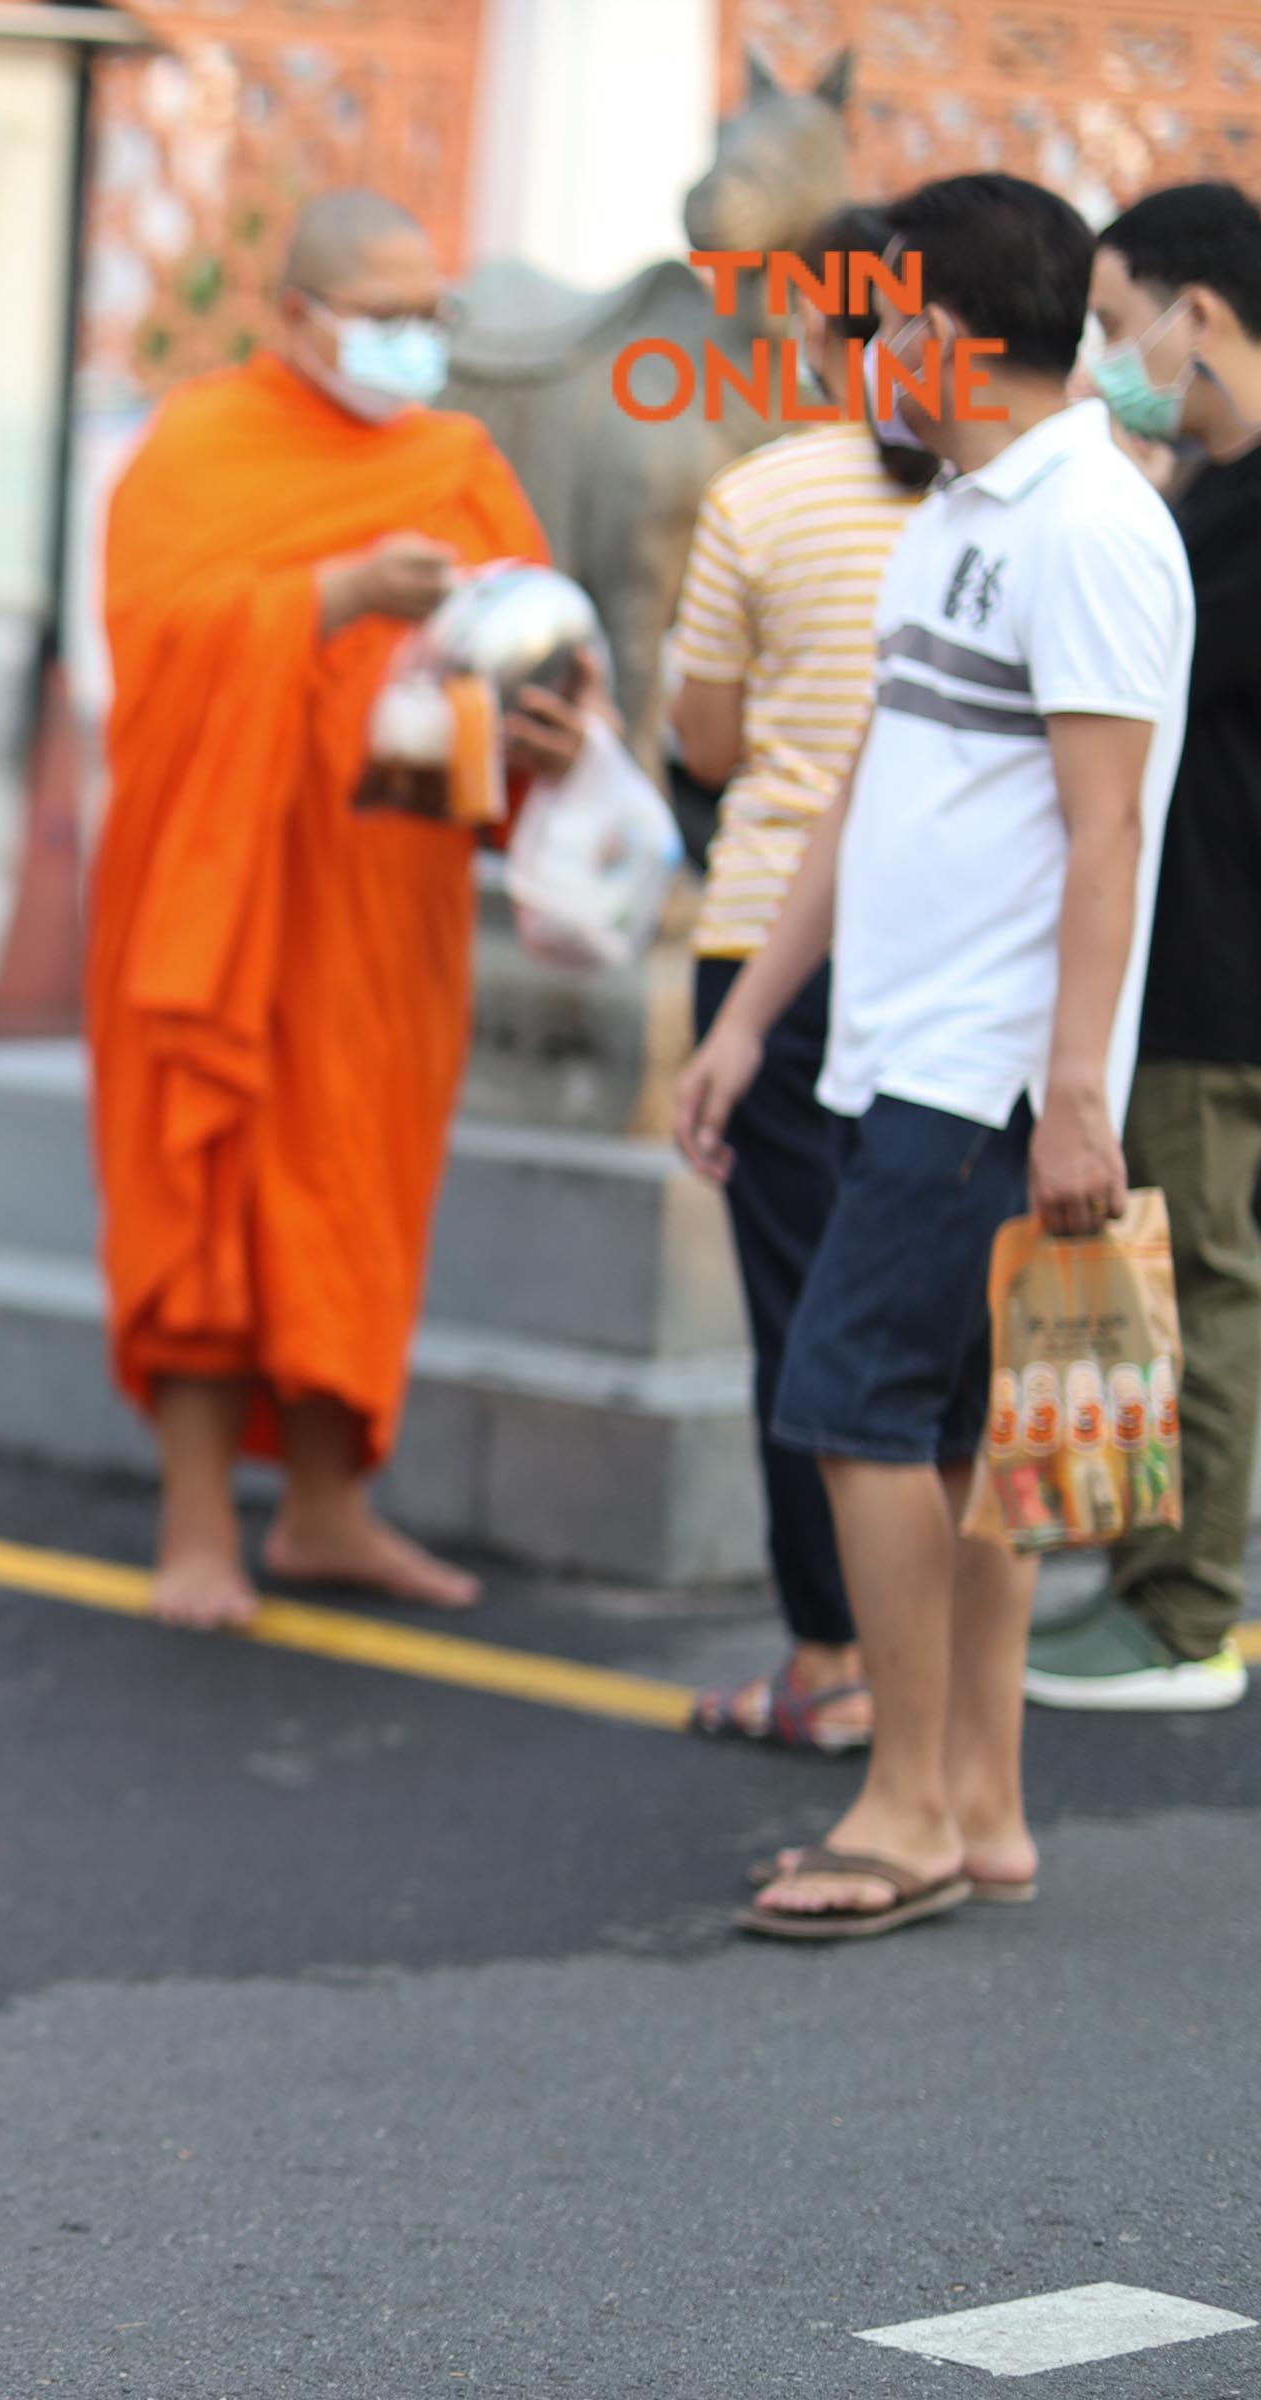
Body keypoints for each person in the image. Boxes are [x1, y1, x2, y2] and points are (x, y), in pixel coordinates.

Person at [677, 173, 1192, 1937]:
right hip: (904, 1048)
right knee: (967, 1437)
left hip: (981, 1075)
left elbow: (1107, 834)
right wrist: (749, 1021)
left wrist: (1072, 1100)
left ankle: (898, 1808)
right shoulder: (961, 512)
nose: (852, 352)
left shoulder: (1091, 528)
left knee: (849, 1404)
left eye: (873, 316)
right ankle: (978, 1805)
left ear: (942, 336)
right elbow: (869, 788)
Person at [83, 189, 584, 1635]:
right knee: (206, 1184)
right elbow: (155, 645)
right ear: (294, 317)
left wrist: (545, 738)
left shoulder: (459, 458)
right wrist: (339, 590)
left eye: (434, 313)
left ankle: (325, 1512)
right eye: (385, 314)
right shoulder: (197, 446)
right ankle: (195, 1528)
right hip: (214, 887)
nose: (415, 340)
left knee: (350, 1189)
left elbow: (539, 649)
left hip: (383, 897)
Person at [663, 200, 937, 1755]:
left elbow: (704, 742)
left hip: (768, 936)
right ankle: (948, 1665)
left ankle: (832, 1660)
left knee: (805, 1312)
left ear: (819, 332)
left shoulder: (761, 494)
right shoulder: (1022, 499)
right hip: (951, 953)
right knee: (942, 1313)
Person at [1024, 181, 1261, 1713]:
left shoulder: (1230, 518)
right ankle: (1141, 1580)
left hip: (1215, 973)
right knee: (1163, 1276)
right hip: (1190, 965)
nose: (1106, 355)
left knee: (1199, 1283)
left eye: (1118, 324)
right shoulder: (1207, 497)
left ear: (1204, 318)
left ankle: (1180, 1614)